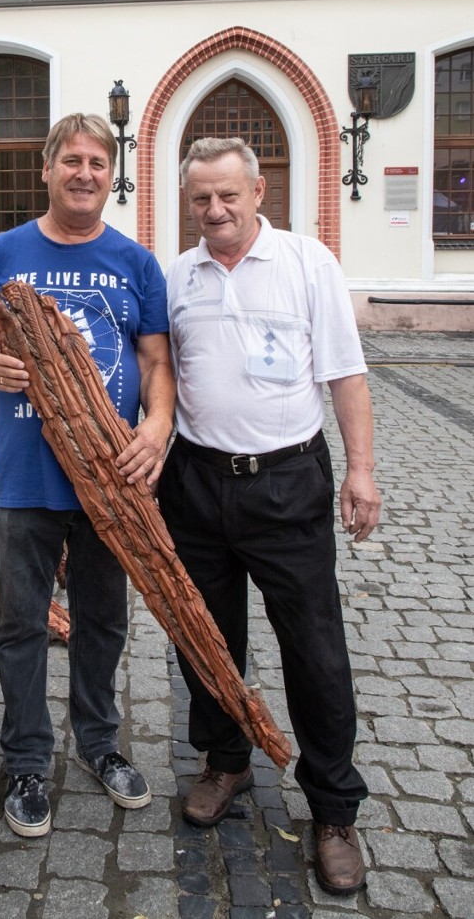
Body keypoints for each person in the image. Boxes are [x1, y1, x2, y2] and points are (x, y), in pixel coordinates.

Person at [157, 136, 381, 897]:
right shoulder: (177, 276)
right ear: (187, 201)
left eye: (228, 195)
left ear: (259, 193)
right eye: (200, 199)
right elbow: (162, 372)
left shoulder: (307, 262)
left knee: (315, 651)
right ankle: (224, 761)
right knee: (207, 641)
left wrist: (360, 470)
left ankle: (332, 811)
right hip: (195, 483)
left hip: (286, 484)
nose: (214, 210)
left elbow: (345, 372)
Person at [0, 113, 175, 838]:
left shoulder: (135, 263)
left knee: (104, 621)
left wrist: (158, 428)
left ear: (112, 176)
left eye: (97, 163)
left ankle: (100, 745)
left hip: (111, 476)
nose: (84, 173)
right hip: (25, 475)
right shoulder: (4, 252)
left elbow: (156, 362)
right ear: (46, 170)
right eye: (71, 160)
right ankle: (25, 760)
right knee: (20, 626)